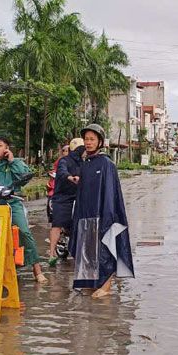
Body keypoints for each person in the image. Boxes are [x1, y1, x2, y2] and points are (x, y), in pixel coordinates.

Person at [0, 137, 47, 283]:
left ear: (6, 148)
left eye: (0, 145)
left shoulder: (13, 163)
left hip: (11, 203)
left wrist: (12, 161)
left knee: (23, 231)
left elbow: (25, 177)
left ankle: (37, 270)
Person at [70, 124, 134, 298]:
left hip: (103, 215)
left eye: (92, 139)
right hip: (85, 215)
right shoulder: (85, 164)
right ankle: (91, 283)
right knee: (87, 250)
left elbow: (110, 193)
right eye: (86, 139)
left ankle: (106, 286)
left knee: (105, 249)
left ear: (100, 142)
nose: (88, 142)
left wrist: (108, 216)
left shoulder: (106, 163)